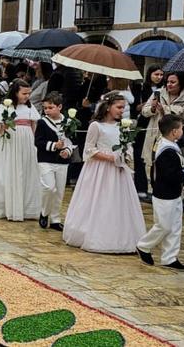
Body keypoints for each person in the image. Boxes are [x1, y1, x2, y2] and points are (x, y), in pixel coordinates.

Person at [62, 91, 146, 253]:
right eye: (119, 107)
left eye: (124, 108)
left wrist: (125, 156)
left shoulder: (123, 127)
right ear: (108, 107)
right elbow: (89, 150)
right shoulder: (96, 126)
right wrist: (111, 158)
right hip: (98, 171)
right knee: (99, 201)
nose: (122, 111)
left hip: (119, 171)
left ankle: (121, 236)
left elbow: (128, 147)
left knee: (117, 202)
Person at [137, 114, 184, 270]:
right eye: (181, 129)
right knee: (164, 226)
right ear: (174, 132)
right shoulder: (167, 152)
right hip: (164, 194)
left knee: (175, 226)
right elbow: (172, 176)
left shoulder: (165, 141)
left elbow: (178, 143)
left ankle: (169, 257)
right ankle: (143, 245)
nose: (182, 132)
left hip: (174, 193)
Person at [0, 80, 42, 221]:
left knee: (25, 172)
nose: (27, 96)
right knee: (8, 171)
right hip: (9, 143)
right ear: (15, 92)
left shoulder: (30, 107)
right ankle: (5, 206)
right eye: (24, 93)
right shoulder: (5, 107)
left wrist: (34, 144)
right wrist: (4, 127)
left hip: (26, 144)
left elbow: (34, 126)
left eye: (29, 93)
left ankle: (26, 208)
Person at [139, 71, 184, 192]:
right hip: (155, 135)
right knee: (154, 164)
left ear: (181, 84)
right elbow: (144, 111)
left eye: (173, 82)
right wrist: (153, 108)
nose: (169, 84)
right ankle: (155, 191)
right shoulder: (158, 93)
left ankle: (173, 192)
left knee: (173, 165)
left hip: (174, 137)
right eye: (168, 81)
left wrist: (165, 109)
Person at [34, 92, 74, 231]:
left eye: (51, 107)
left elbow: (71, 141)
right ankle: (44, 212)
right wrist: (53, 146)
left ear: (60, 107)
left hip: (62, 162)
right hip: (45, 160)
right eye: (45, 108)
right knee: (49, 187)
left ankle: (56, 219)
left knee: (59, 191)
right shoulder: (42, 122)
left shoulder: (68, 122)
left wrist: (67, 151)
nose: (47, 110)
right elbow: (38, 142)